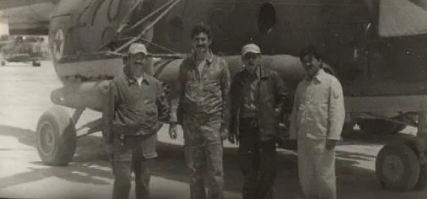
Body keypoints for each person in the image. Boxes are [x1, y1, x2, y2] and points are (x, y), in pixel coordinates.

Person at [168, 23, 231, 199]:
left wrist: (225, 126)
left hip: (212, 124)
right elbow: (176, 94)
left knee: (216, 172)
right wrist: (173, 121)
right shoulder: (185, 66)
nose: (200, 43)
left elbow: (227, 98)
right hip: (191, 126)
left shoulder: (220, 65)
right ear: (192, 42)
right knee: (194, 172)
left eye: (204, 39)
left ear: (209, 41)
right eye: (197, 40)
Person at [101, 42, 169, 199]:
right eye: (135, 57)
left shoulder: (153, 83)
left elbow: (163, 109)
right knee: (123, 183)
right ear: (128, 58)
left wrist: (153, 127)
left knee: (144, 184)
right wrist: (108, 142)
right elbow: (107, 115)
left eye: (142, 58)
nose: (139, 61)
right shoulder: (117, 84)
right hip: (125, 142)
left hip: (147, 143)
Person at [228, 43, 288, 199]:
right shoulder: (238, 79)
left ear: (260, 58)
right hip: (246, 129)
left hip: (265, 129)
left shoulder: (271, 76)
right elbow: (232, 103)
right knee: (248, 171)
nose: (250, 60)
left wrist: (275, 114)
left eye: (254, 57)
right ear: (242, 59)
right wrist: (231, 128)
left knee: (267, 171)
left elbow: (283, 96)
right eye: (247, 57)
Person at [289, 45, 345, 199]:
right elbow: (296, 111)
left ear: (320, 61)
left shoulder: (331, 83)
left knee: (325, 179)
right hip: (304, 140)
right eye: (304, 62)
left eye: (310, 61)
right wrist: (293, 135)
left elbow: (336, 111)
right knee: (306, 179)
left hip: (322, 141)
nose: (307, 64)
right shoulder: (301, 86)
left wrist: (333, 136)